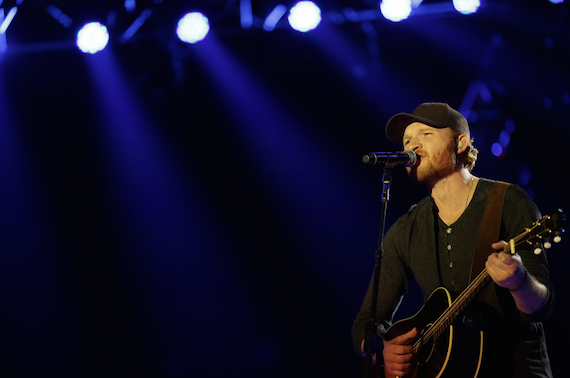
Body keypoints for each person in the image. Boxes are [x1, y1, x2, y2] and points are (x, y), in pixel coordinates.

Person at [352, 102, 555, 378]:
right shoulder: (407, 229)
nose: (412, 145)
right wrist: (382, 349)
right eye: (407, 140)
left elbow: (542, 306)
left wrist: (519, 282)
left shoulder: (509, 202)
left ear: (460, 143)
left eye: (426, 134)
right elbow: (366, 322)